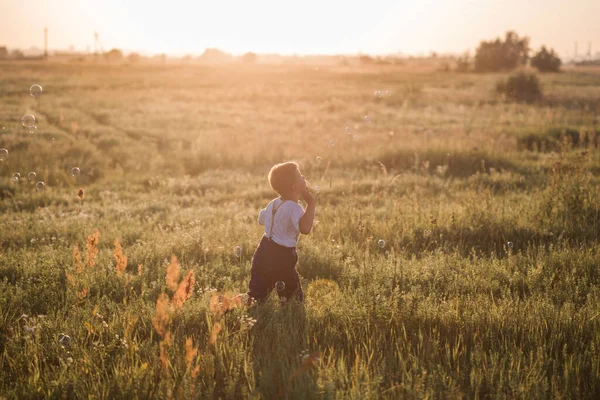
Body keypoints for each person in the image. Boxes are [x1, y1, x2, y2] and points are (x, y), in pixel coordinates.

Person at [247, 161, 316, 303]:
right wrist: (311, 203)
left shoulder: (273, 203)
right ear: (294, 187)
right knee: (292, 292)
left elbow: (261, 219)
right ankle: (292, 306)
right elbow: (305, 228)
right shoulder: (294, 208)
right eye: (300, 176)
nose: (303, 177)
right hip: (282, 254)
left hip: (264, 249)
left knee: (258, 289)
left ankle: (247, 301)